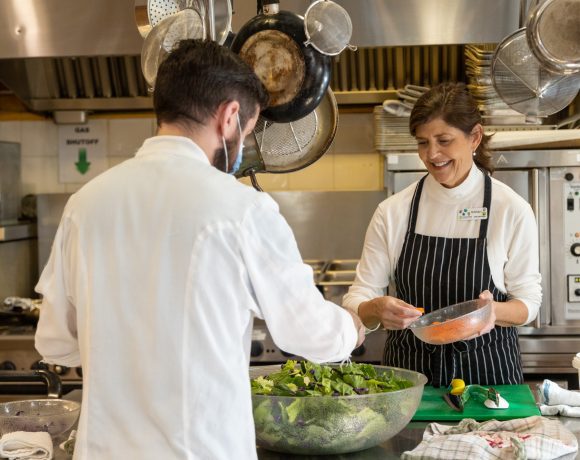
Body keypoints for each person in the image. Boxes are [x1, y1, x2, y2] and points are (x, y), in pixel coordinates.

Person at [34, 39, 365, 459]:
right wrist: (352, 327)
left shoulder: (84, 204)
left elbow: (55, 344)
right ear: (229, 116)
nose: (243, 146)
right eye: (246, 132)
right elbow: (310, 333)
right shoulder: (242, 208)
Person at [343, 82, 542, 388]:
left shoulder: (511, 210)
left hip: (488, 381)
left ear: (474, 137)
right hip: (410, 384)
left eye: (444, 140)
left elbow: (528, 303)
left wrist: (492, 313)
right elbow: (359, 296)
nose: (432, 154)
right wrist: (375, 309)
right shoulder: (393, 211)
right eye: (422, 143)